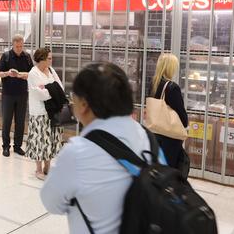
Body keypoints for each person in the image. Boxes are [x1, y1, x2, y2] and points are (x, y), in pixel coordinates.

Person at [41, 62, 152, 233]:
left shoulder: (78, 152)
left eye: (73, 97)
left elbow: (51, 202)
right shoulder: (146, 136)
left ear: (84, 105)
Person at [26, 47, 64, 180]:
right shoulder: (33, 73)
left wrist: (48, 88)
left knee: (50, 140)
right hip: (39, 112)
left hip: (52, 111)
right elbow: (40, 94)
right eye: (49, 58)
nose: (51, 60)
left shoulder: (51, 70)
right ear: (41, 59)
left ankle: (48, 166)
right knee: (39, 140)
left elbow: (61, 88)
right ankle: (38, 169)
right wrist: (52, 89)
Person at [0, 34, 33, 157]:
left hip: (23, 94)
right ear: (13, 45)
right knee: (7, 121)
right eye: (17, 46)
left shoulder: (27, 57)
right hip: (8, 94)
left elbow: (32, 74)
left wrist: (20, 75)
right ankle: (5, 146)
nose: (19, 49)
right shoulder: (6, 56)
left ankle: (18, 146)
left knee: (20, 121)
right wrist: (7, 73)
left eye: (21, 46)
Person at [150, 53, 188, 168]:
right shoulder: (172, 87)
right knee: (169, 167)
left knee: (157, 166)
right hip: (169, 136)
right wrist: (186, 123)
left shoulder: (153, 84)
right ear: (170, 68)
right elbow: (181, 114)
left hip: (155, 132)